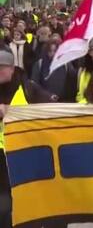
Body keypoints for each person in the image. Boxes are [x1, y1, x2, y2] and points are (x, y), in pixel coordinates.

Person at [0, 50, 57, 228]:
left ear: (12, 68)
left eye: (1, 68)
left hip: (24, 154)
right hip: (1, 160)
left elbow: (52, 109)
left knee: (26, 201)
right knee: (4, 208)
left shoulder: (28, 88)